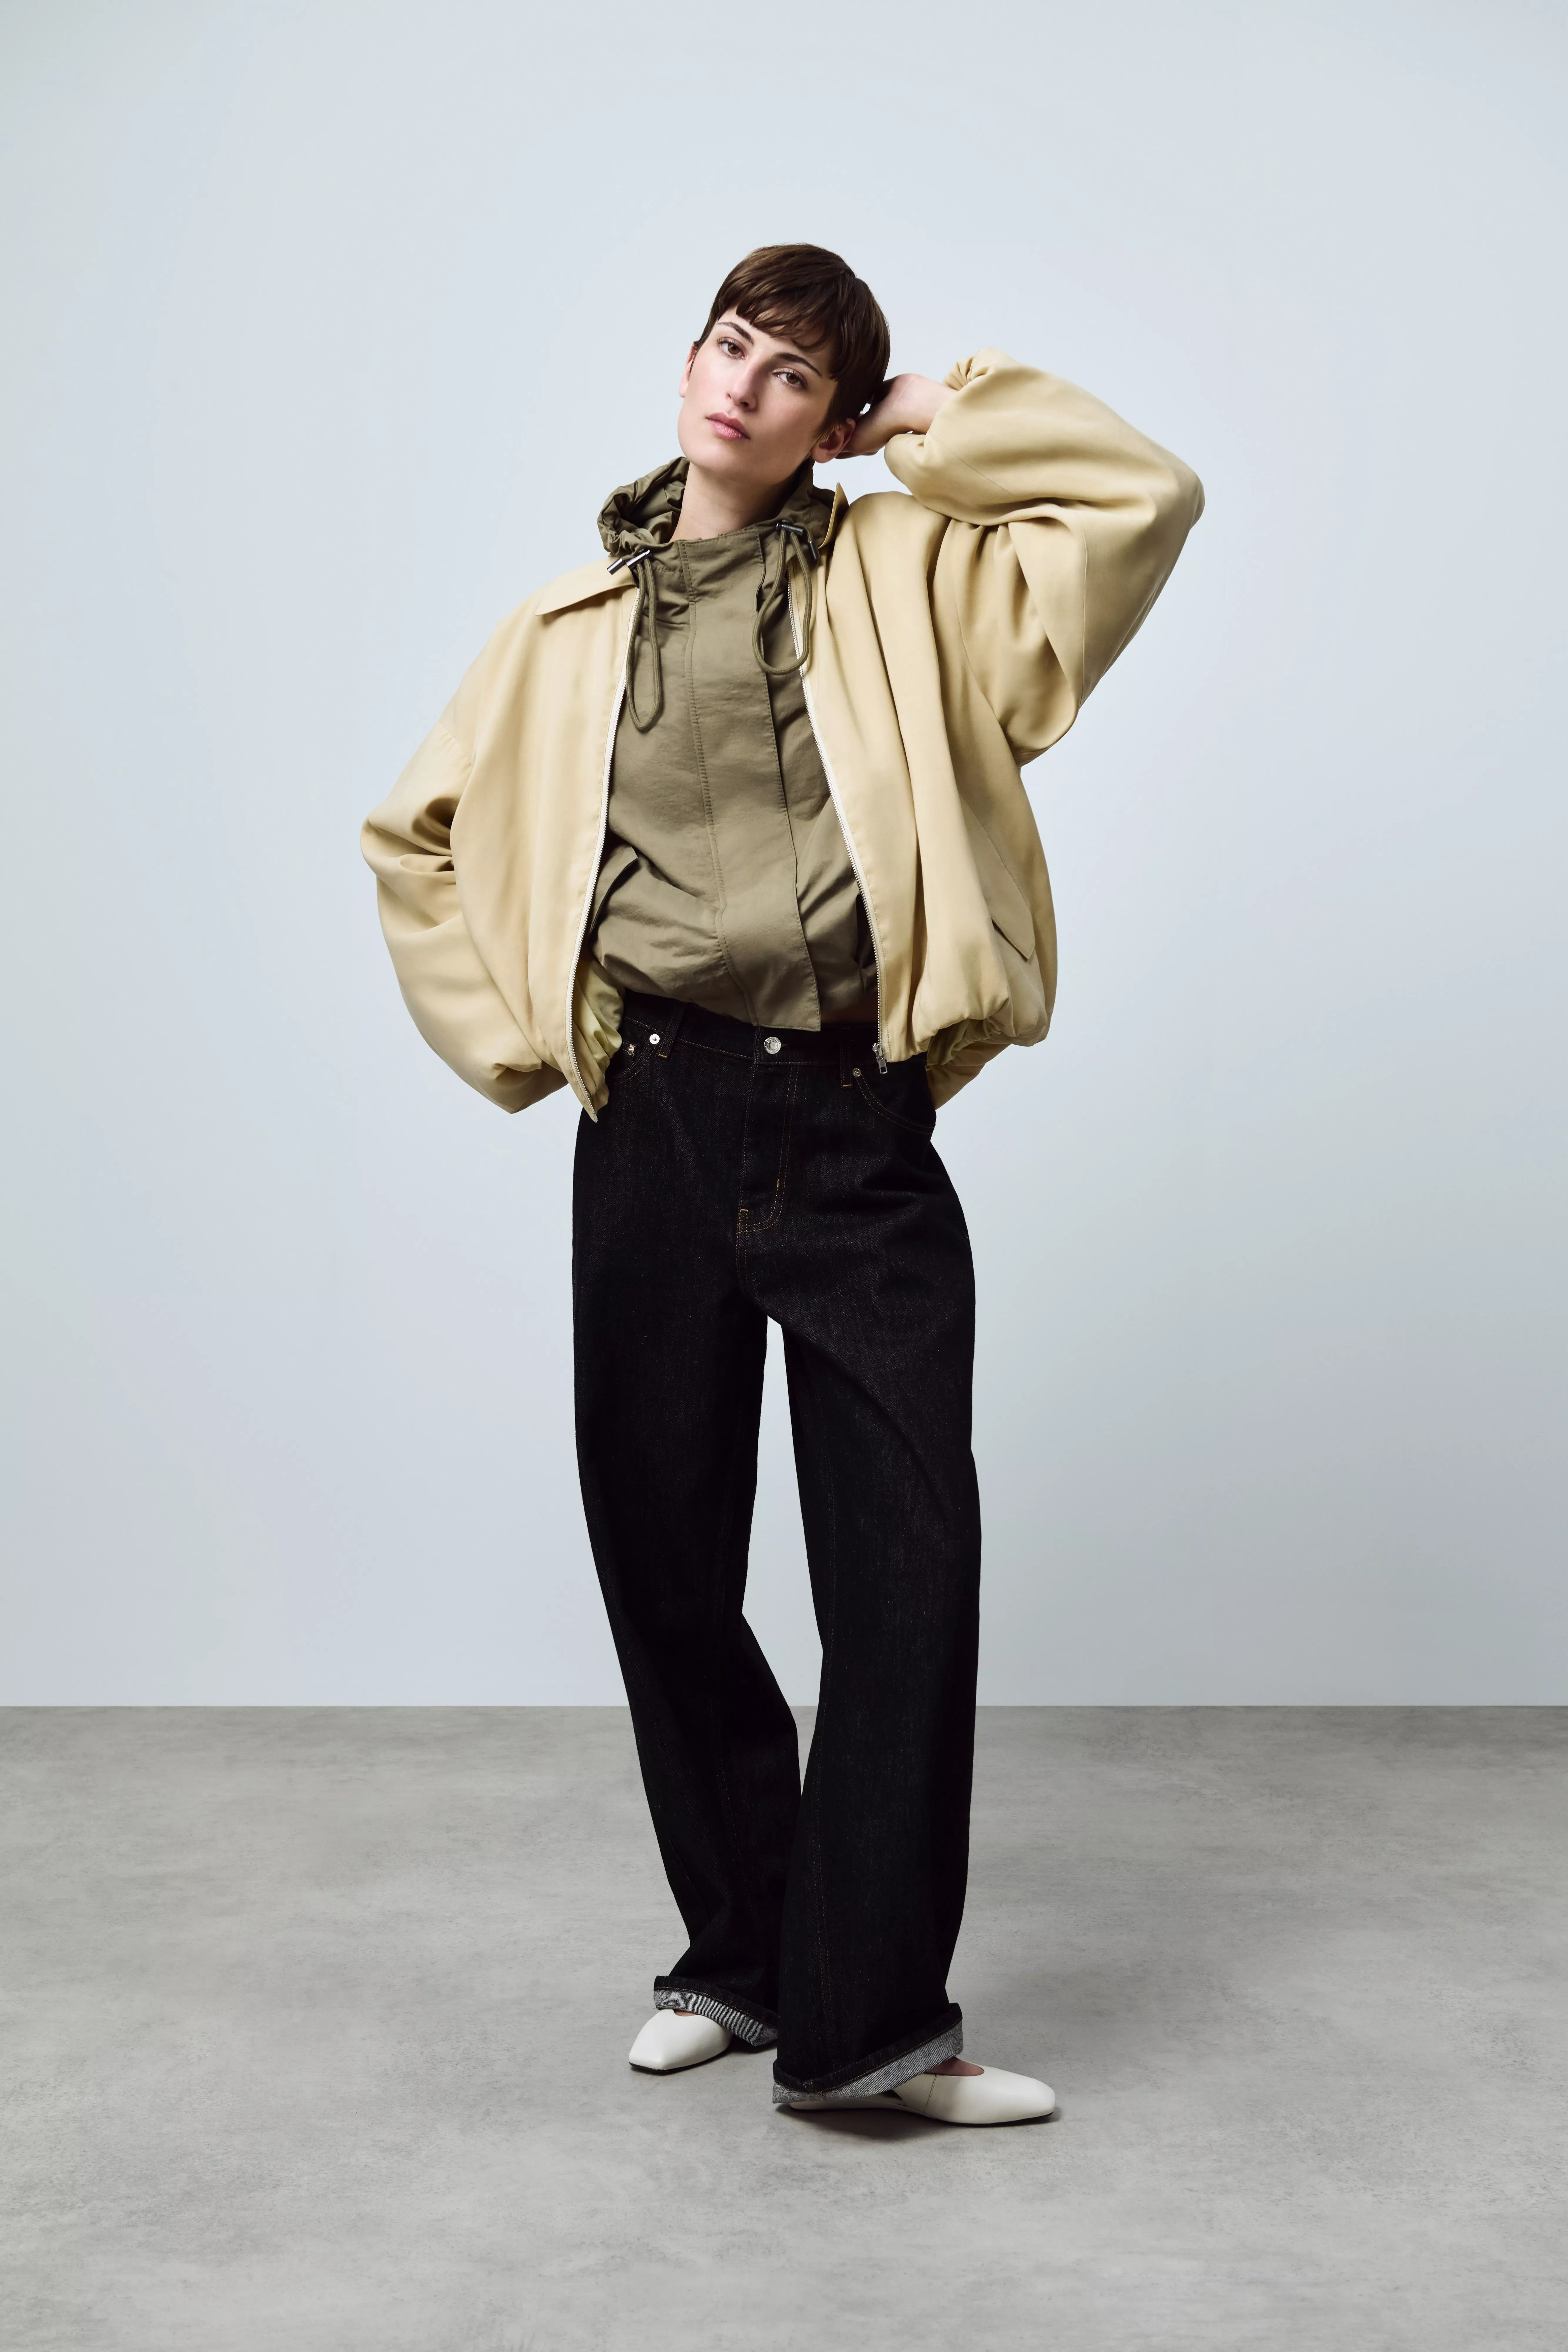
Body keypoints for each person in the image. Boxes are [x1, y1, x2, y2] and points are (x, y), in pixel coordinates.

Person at [362, 245, 1202, 2125]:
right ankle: (740, 1960)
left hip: (848, 1126)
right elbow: (413, 834)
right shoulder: (563, 630)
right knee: (665, 1557)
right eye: (734, 347)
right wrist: (522, 1041)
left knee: (908, 1566)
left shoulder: (916, 573)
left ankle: (867, 2027)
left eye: (798, 375)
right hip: (651, 1116)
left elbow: (1144, 500)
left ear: (831, 420)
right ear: (690, 363)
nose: (747, 386)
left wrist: (939, 420)